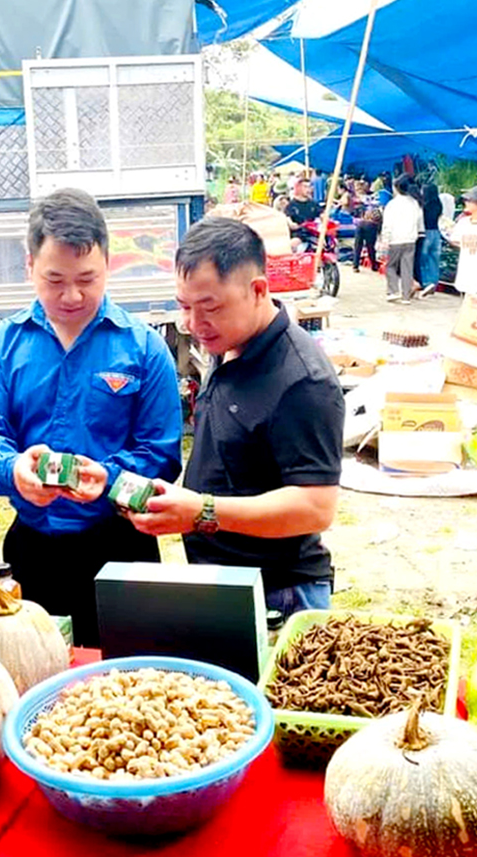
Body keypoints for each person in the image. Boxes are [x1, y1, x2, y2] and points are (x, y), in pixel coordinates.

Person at [0, 188, 182, 646]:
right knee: (33, 677)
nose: (73, 294)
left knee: (129, 685)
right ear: (29, 267)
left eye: (88, 277)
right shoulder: (3, 346)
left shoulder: (142, 347)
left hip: (122, 546)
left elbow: (161, 453)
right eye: (55, 279)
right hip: (31, 550)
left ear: (108, 265)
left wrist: (112, 480)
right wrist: (14, 470)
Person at [127, 217, 344, 619]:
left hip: (280, 591)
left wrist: (202, 511)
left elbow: (316, 507)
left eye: (210, 307)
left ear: (258, 290)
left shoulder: (303, 382)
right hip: (223, 577)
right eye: (185, 306)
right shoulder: (229, 341)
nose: (193, 323)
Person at [380, 175, 423, 303]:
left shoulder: (392, 204)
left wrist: (385, 239)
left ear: (397, 188)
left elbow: (387, 224)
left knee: (391, 266)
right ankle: (406, 297)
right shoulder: (415, 203)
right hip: (410, 239)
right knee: (407, 268)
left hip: (395, 240)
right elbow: (419, 221)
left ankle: (393, 291)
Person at [418, 181, 444, 297]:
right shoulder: (438, 204)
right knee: (434, 260)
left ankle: (426, 283)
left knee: (423, 260)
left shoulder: (424, 206)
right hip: (436, 233)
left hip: (426, 232)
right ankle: (434, 282)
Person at [352, 180, 380, 272]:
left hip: (360, 223)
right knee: (370, 246)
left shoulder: (360, 199)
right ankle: (373, 265)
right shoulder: (376, 198)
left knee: (358, 245)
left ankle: (355, 266)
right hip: (371, 224)